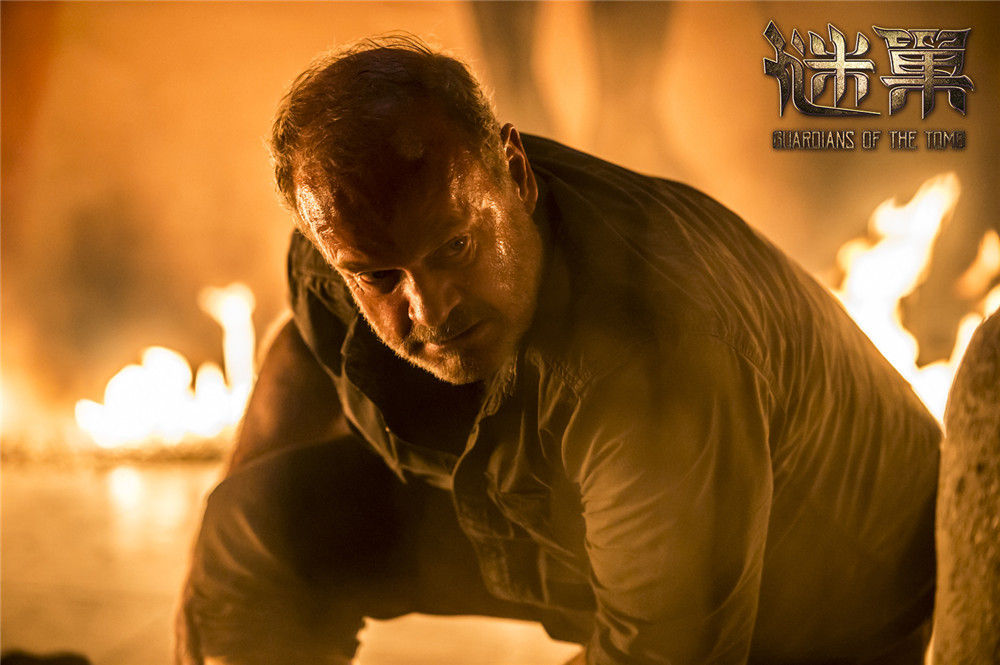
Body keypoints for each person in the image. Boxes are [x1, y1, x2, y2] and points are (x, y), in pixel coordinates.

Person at [176, 36, 941, 665]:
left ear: (515, 174)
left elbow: (668, 655)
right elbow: (309, 344)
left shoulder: (656, 358)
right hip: (582, 527)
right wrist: (217, 567)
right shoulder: (352, 237)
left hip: (822, 603)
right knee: (251, 534)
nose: (430, 309)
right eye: (379, 277)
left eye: (455, 247)